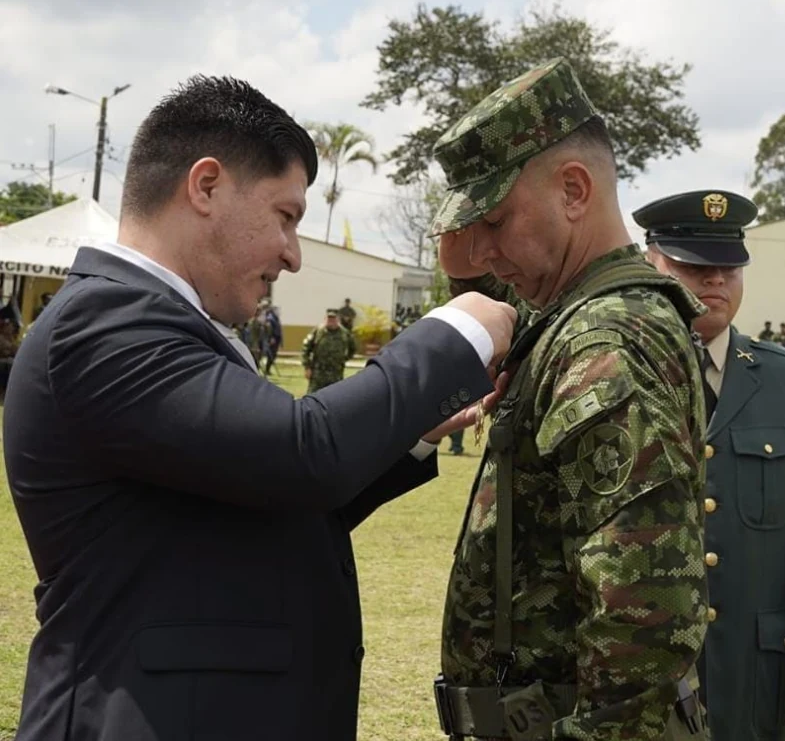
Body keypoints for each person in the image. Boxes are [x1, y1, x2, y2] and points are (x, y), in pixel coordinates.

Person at [2, 75, 518, 741]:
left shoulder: (162, 323)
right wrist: (458, 329)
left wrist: (409, 432)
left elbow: (271, 493)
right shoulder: (104, 321)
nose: (292, 255)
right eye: (285, 216)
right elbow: (303, 452)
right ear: (206, 186)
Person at [431, 57, 710, 740]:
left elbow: (642, 611)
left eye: (495, 221)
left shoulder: (604, 338)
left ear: (574, 190)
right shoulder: (575, 320)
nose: (482, 252)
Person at [639, 189, 785, 741]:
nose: (715, 280)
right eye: (694, 266)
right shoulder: (618, 371)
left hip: (753, 678)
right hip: (638, 674)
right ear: (651, 264)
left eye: (729, 268)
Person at [302, 308, 357, 392]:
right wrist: (307, 367)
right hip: (318, 373)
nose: (331, 321)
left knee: (334, 396)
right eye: (329, 318)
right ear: (325, 319)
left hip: (336, 373)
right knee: (313, 396)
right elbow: (305, 348)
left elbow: (353, 348)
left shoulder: (345, 333)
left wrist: (344, 359)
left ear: (338, 319)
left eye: (333, 318)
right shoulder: (318, 331)